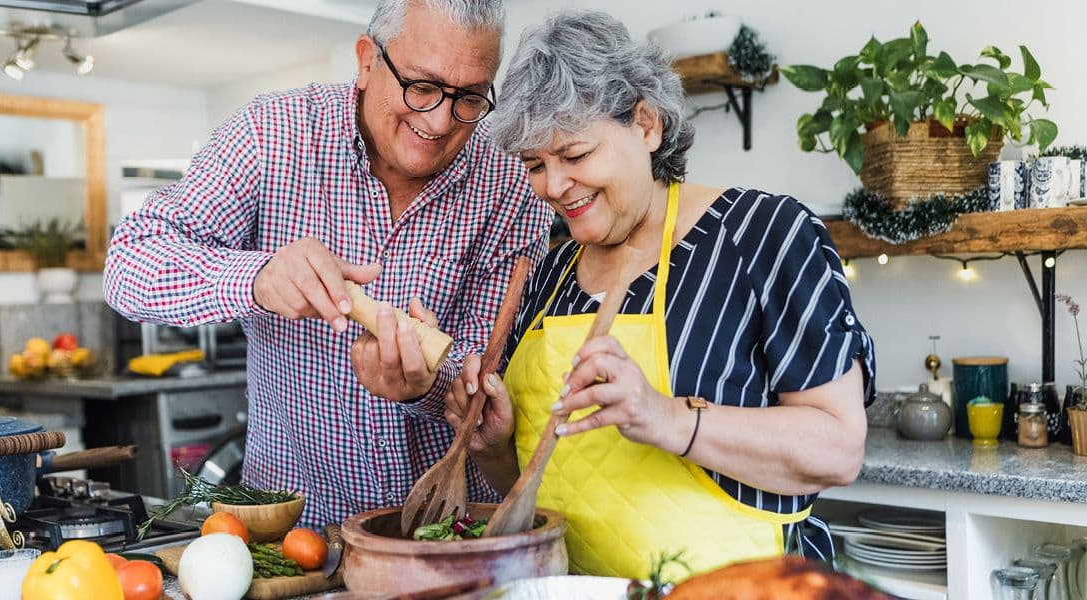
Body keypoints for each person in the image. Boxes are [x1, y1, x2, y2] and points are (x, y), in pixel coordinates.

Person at [445, 10, 875, 579]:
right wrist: (497, 446)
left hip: (749, 589)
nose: (553, 185)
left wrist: (667, 418)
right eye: (534, 165)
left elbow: (838, 447)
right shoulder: (548, 277)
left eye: (574, 155)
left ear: (646, 125)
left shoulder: (763, 235)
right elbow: (535, 494)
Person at [104, 0, 552, 528]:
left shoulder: (511, 183)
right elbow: (128, 263)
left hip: (449, 530)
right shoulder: (271, 135)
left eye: (470, 96)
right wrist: (257, 277)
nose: (438, 120)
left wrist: (427, 387)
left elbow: (490, 372)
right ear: (367, 61)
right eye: (422, 86)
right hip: (293, 535)